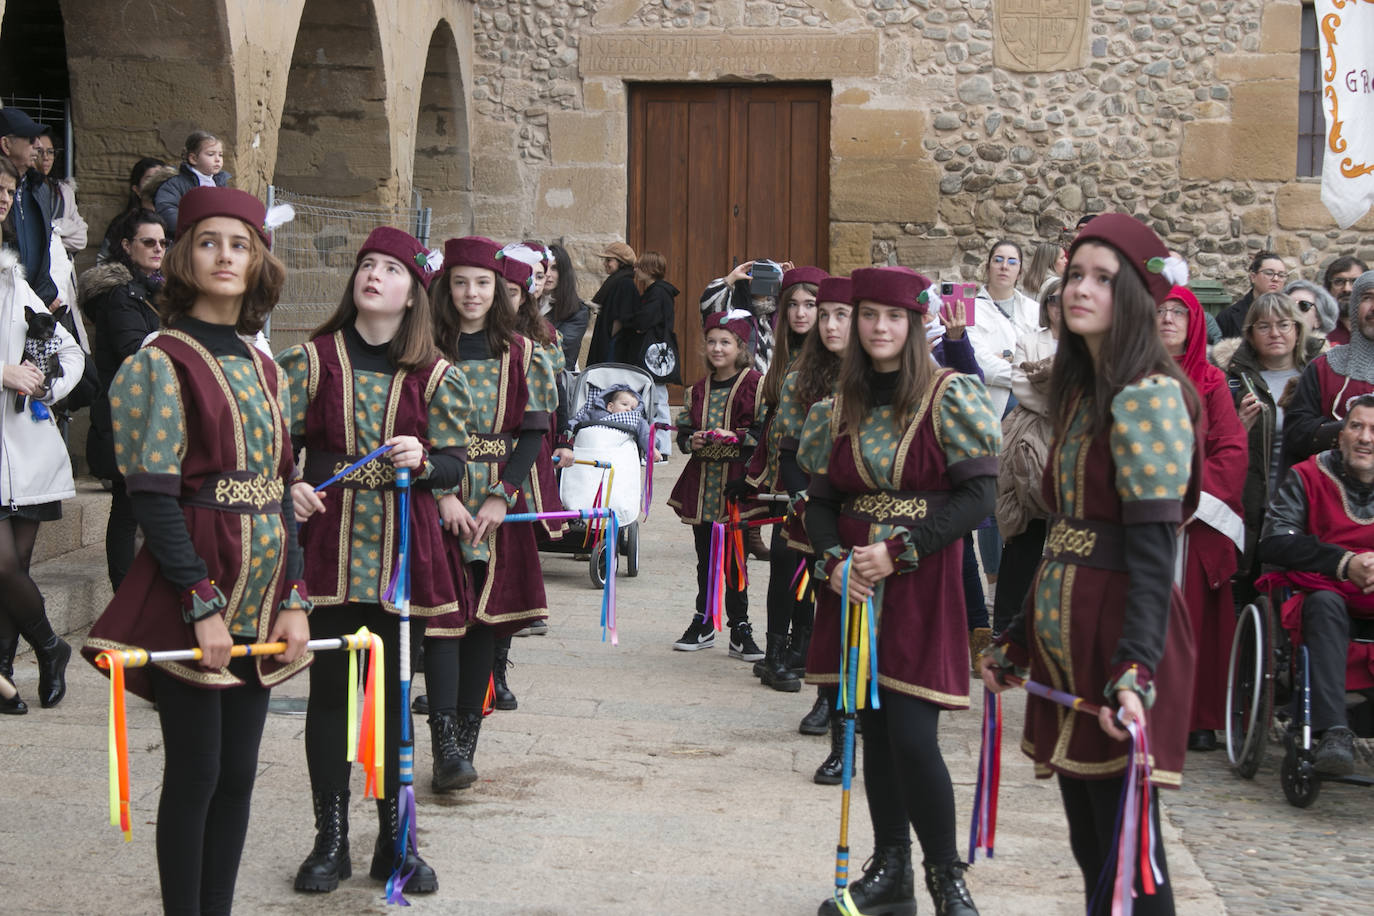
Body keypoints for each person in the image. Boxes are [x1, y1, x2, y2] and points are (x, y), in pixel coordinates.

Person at [79, 186, 312, 914]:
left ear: (257, 262)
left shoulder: (263, 362)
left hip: (263, 592)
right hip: (197, 589)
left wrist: (295, 599)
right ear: (183, 255)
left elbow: (279, 491)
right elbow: (154, 496)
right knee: (198, 772)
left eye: (239, 244)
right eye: (209, 241)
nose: (225, 256)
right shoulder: (161, 358)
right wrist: (200, 604)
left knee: (240, 773)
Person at [981, 214, 1199, 915]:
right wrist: (1016, 636)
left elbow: (1154, 549)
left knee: (1133, 853)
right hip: (1064, 634)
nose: (1081, 288)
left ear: (1134, 297)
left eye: (1104, 279)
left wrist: (1135, 666)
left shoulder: (1150, 397)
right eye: (1076, 274)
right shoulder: (1079, 394)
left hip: (1121, 638)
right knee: (1090, 841)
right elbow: (1060, 537)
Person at [799, 265, 999, 916]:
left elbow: (978, 497)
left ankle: (946, 879)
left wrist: (899, 551)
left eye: (894, 318)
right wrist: (832, 562)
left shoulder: (949, 396)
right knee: (873, 736)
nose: (879, 328)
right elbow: (820, 502)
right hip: (853, 588)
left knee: (914, 736)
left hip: (920, 584)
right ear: (854, 325)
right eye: (868, 317)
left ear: (916, 325)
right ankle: (890, 874)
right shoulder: (837, 408)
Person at [278, 226, 470, 894]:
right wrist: (289, 484)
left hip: (401, 554)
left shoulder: (435, 374)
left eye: (389, 268)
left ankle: (396, 840)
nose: (373, 275)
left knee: (388, 698)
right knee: (331, 694)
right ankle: (330, 842)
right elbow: (275, 442)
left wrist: (429, 460)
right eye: (366, 265)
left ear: (412, 293)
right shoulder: (310, 359)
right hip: (328, 550)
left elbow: (456, 463)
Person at [420, 235, 553, 788]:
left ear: (500, 289)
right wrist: (441, 495)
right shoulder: (424, 350)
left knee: (484, 621)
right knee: (443, 620)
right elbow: (410, 426)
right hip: (438, 492)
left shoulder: (525, 354)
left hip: (498, 500)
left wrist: (504, 495)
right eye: (460, 282)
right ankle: (443, 743)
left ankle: (466, 744)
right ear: (444, 288)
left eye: (483, 283)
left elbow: (533, 434)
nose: (471, 293)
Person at [0, 155, 84, 715]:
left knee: (15, 571)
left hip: (24, 447)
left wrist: (44, 384)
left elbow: (66, 348)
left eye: (7, 190)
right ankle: (52, 649)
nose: (3, 197)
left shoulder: (12, 276)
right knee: (4, 567)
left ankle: (5, 673)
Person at [1258, 394, 1374, 776]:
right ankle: (1332, 731)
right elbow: (1275, 540)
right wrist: (1343, 563)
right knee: (1324, 604)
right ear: (1339, 435)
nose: (1364, 437)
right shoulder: (1308, 476)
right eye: (1355, 426)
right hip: (1323, 596)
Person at [1156, 285, 1248, 752]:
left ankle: (1194, 714)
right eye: (1160, 311)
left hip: (1191, 522)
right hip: (1139, 516)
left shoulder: (1211, 382)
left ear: (1195, 324)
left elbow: (1231, 448)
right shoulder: (1127, 378)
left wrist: (1190, 501)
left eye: (1179, 312)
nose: (1168, 319)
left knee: (1192, 616)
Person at [778, 276, 854, 780]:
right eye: (821, 315)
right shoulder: (798, 379)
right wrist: (803, 499)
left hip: (869, 513)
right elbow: (787, 450)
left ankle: (867, 701)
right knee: (825, 605)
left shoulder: (880, 375)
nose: (827, 325)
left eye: (839, 315)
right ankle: (828, 700)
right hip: (817, 511)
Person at [743, 264, 826, 687]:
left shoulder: (829, 356)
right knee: (784, 561)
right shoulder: (782, 356)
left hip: (817, 477)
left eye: (810, 304)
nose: (800, 313)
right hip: (784, 475)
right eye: (792, 304)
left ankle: (801, 646)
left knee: (808, 565)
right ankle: (777, 651)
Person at [668, 309, 765, 660]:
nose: (717, 348)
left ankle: (740, 626)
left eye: (725, 342)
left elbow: (762, 431)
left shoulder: (756, 385)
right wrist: (690, 439)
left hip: (736, 486)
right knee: (705, 557)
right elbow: (682, 433)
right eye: (712, 341)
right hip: (703, 485)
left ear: (740, 347)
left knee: (736, 560)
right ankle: (705, 620)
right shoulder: (697, 390)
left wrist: (736, 437)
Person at [81, 210, 168, 590]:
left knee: (138, 509)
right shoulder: (121, 295)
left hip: (145, 416)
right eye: (148, 242)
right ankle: (125, 597)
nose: (158, 249)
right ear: (127, 246)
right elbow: (136, 352)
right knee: (127, 511)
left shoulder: (150, 290)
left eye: (163, 243)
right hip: (124, 416)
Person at [1217, 292, 1322, 605]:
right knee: (1245, 593)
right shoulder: (1232, 380)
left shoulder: (1317, 377)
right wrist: (1238, 427)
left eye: (1283, 324)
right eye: (1264, 326)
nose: (1275, 333)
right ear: (1249, 334)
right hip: (1250, 502)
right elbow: (1214, 444)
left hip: (1300, 502)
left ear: (1298, 330)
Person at [992, 277, 1061, 637]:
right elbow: (1021, 386)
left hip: (1073, 440)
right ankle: (1005, 627)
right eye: (1053, 299)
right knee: (1025, 532)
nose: (1060, 305)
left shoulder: (1093, 344)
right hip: (1033, 439)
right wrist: (1062, 404)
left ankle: (1052, 628)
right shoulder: (1031, 340)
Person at [1283, 270, 1374, 473]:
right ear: (1355, 306)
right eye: (1368, 298)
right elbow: (1297, 434)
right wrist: (1352, 430)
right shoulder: (1323, 368)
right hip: (1331, 490)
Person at [617, 250, 679, 458]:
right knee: (653, 398)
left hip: (654, 355)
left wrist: (630, 322)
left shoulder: (658, 293)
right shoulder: (656, 292)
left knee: (657, 399)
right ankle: (655, 448)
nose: (635, 270)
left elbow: (645, 320)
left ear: (649, 269)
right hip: (656, 354)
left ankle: (660, 449)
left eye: (639, 266)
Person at [0, 108, 58, 310]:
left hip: (35, 305)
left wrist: (43, 299)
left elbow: (44, 249)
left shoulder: (38, 187)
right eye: (30, 138)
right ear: (6, 144)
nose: (39, 145)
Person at [700, 259, 788, 374]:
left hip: (775, 386)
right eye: (756, 275)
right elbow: (709, 309)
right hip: (743, 385)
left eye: (769, 275)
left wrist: (791, 282)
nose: (762, 279)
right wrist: (731, 278)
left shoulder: (782, 312)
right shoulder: (735, 313)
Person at [155, 131, 231, 237]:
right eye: (211, 154)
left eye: (220, 155)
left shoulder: (220, 183)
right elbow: (166, 209)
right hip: (187, 239)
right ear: (193, 159)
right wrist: (192, 229)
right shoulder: (175, 185)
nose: (218, 159)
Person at [97, 158, 170, 263]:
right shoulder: (122, 224)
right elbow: (103, 261)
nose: (157, 185)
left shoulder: (179, 220)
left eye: (162, 180)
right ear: (137, 189)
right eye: (150, 179)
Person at [31, 133, 86, 258]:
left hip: (59, 271)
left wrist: (50, 230)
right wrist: (64, 230)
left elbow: (81, 239)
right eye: (39, 151)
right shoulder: (21, 190)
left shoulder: (64, 191)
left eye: (50, 152)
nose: (45, 157)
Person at [565, 383, 657, 459]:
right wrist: (568, 430)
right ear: (610, 407)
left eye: (633, 408)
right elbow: (579, 422)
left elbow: (645, 435)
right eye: (624, 404)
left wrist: (651, 449)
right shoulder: (595, 413)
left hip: (619, 451)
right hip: (593, 446)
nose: (629, 409)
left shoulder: (636, 419)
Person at [586, 240, 637, 366]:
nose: (605, 264)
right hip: (607, 342)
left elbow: (621, 319)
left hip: (614, 347)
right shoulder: (616, 281)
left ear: (621, 262)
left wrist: (608, 342)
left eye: (609, 260)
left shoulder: (625, 284)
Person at [1214, 251, 1287, 338]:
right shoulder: (1227, 318)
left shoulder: (1290, 315)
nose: (1276, 279)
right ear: (1253, 277)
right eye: (1269, 273)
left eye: (1281, 275)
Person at [543, 243, 591, 369]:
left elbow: (561, 353)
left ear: (563, 273)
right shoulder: (525, 303)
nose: (547, 274)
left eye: (554, 268)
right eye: (544, 267)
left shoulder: (578, 311)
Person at [1321, 255, 1368, 346]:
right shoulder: (1319, 331)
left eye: (1355, 282)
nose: (1347, 289)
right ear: (1328, 289)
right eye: (1339, 282)